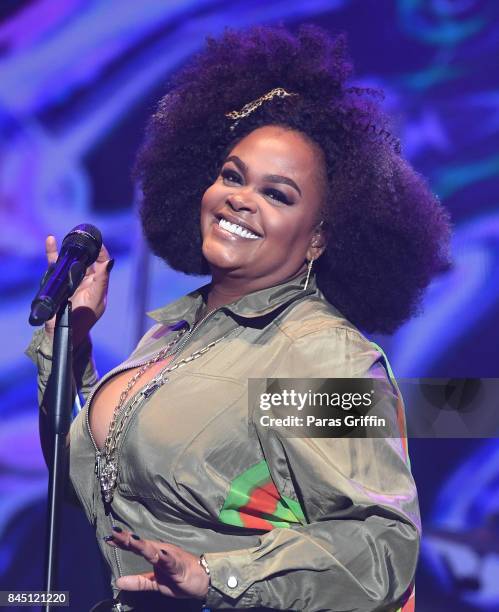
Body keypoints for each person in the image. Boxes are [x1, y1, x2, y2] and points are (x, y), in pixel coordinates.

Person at [26, 24, 451, 612]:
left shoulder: (317, 355)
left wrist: (215, 576)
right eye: (231, 175)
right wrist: (67, 340)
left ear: (320, 238)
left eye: (277, 194)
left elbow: (378, 545)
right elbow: (92, 486)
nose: (240, 197)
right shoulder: (169, 336)